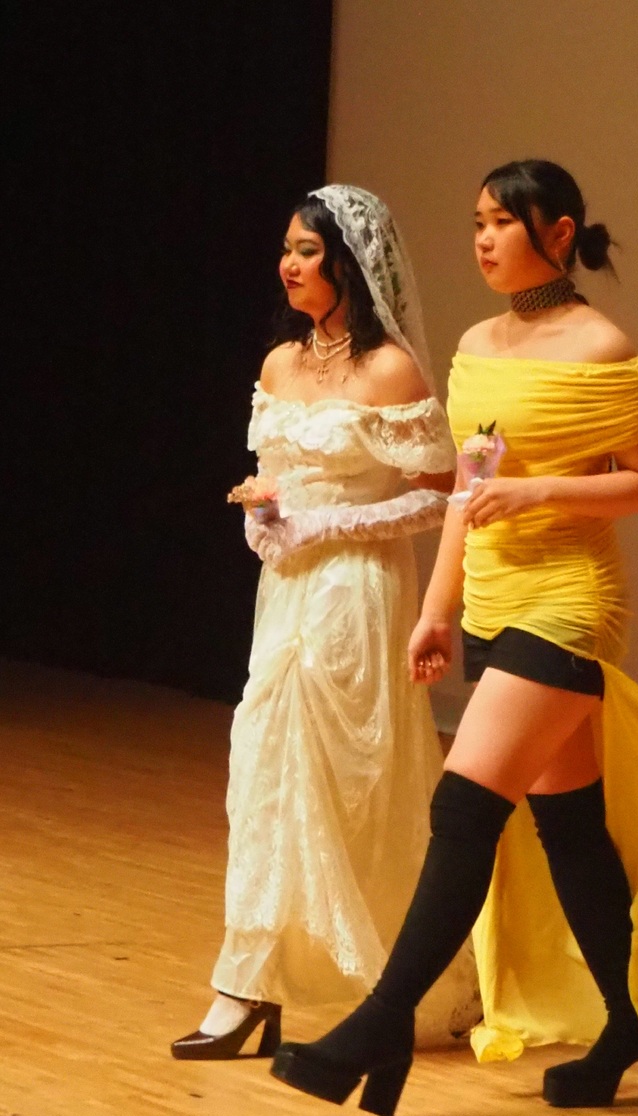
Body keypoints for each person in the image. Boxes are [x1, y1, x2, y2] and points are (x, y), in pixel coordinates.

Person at [269, 160, 638, 1116]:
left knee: (464, 809)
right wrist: (437, 606)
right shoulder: (476, 344)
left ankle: (381, 1025)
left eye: (503, 223)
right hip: (493, 601)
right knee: (569, 828)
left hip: (570, 600)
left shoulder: (602, 347)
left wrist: (540, 489)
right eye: (477, 222)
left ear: (559, 233)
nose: (483, 239)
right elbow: (469, 487)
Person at [171, 185, 481, 1061]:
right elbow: (271, 479)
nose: (290, 264)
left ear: (348, 261)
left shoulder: (391, 372)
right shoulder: (279, 364)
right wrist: (263, 521)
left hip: (358, 590)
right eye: (287, 249)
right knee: (265, 771)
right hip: (287, 590)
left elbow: (438, 497)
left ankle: (388, 983)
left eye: (307, 250)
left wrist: (329, 525)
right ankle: (246, 983)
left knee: (350, 781)